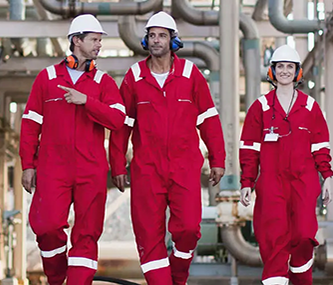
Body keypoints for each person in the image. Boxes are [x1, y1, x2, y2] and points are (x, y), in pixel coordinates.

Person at [109, 11, 226, 285]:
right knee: (148, 234)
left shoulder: (190, 75)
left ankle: (178, 276)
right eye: (152, 35)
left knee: (188, 229)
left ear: (173, 40)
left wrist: (218, 159)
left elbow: (208, 119)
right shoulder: (134, 77)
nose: (156, 40)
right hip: (146, 169)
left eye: (162, 35)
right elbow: (121, 125)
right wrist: (117, 165)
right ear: (145, 40)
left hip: (184, 166)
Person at [19, 14, 126, 285]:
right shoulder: (47, 78)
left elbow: (117, 120)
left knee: (87, 234)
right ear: (76, 41)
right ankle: (56, 278)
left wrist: (86, 101)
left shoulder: (104, 83)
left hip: (91, 168)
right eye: (94, 40)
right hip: (53, 168)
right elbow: (31, 124)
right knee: (46, 226)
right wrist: (27, 165)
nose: (99, 45)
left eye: (100, 40)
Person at [239, 44, 333, 285]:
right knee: (273, 237)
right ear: (272, 71)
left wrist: (327, 178)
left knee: (303, 235)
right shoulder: (259, 108)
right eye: (279, 66)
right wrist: (247, 182)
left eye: (289, 67)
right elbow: (249, 148)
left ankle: (301, 277)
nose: (284, 71)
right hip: (271, 183)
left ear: (297, 72)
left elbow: (321, 146)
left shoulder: (310, 107)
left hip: (304, 182)